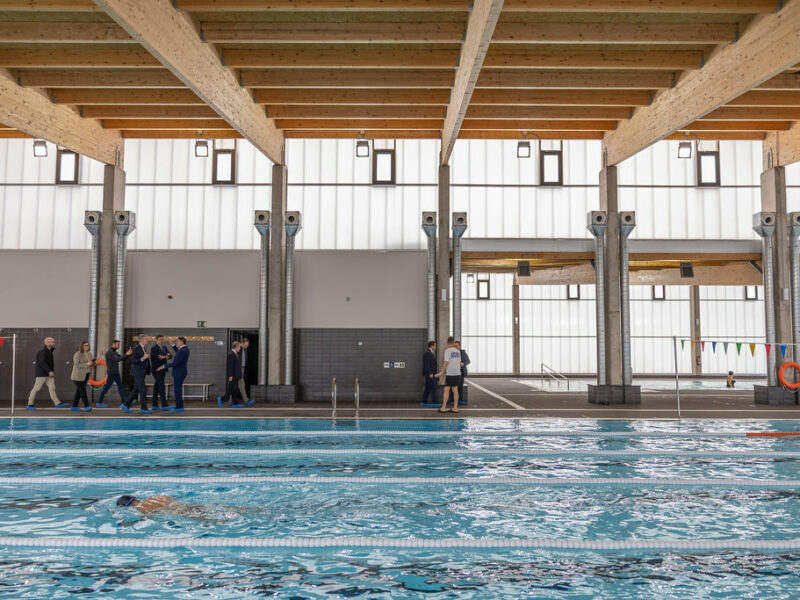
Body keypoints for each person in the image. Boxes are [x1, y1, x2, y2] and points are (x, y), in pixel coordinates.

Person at [116, 494, 257, 524]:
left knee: (213, 520)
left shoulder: (141, 507)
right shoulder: (155, 496)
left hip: (181, 512)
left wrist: (129, 522)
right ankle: (251, 509)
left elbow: (147, 518)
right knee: (221, 508)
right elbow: (175, 500)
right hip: (188, 505)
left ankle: (222, 521)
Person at [27, 337, 68, 410]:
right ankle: (30, 404)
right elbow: (42, 362)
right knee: (36, 388)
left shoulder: (49, 351)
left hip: (49, 375)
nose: (53, 343)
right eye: (52, 342)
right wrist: (49, 371)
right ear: (47, 343)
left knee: (52, 388)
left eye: (53, 342)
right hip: (42, 374)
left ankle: (57, 403)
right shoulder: (42, 352)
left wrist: (50, 372)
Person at [96, 340, 132, 407]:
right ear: (114, 344)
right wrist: (127, 354)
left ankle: (125, 402)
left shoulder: (114, 352)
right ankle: (99, 402)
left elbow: (122, 358)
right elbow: (117, 359)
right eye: (118, 344)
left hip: (116, 372)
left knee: (120, 387)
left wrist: (128, 354)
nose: (119, 346)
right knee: (107, 387)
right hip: (111, 373)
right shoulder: (109, 353)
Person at [159, 336, 189, 412]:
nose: (176, 343)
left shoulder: (182, 351)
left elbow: (175, 363)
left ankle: (179, 407)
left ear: (181, 342)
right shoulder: (184, 349)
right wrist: (172, 345)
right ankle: (179, 406)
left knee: (177, 390)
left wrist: (164, 366)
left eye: (177, 341)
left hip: (179, 373)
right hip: (181, 372)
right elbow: (178, 352)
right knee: (178, 389)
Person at [121, 336, 151, 414]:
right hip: (138, 372)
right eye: (145, 339)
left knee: (136, 389)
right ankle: (143, 408)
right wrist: (143, 358)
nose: (147, 340)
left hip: (142, 372)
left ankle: (125, 404)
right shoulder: (137, 348)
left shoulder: (143, 348)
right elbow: (134, 361)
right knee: (143, 390)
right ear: (141, 340)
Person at [437, 336, 462, 413]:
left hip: (450, 373)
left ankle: (443, 407)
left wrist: (441, 372)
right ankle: (455, 408)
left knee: (446, 390)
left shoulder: (447, 351)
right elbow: (459, 363)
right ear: (453, 342)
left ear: (447, 342)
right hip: (457, 373)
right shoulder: (458, 351)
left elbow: (446, 362)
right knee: (455, 390)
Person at [69, 341, 95, 412]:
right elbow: (76, 364)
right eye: (85, 346)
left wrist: (93, 362)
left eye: (88, 345)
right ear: (82, 347)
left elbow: (91, 363)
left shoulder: (89, 354)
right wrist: (87, 364)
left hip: (85, 375)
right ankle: (87, 406)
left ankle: (74, 406)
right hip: (77, 376)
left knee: (79, 391)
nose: (87, 347)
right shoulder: (78, 354)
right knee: (83, 391)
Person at [218, 341, 244, 408]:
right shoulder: (231, 354)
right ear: (236, 347)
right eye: (239, 347)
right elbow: (230, 366)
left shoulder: (235, 354)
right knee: (231, 389)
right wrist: (230, 375)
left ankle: (234, 403)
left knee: (234, 389)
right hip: (233, 376)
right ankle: (221, 399)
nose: (240, 349)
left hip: (236, 375)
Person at [149, 335, 172, 411]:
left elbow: (170, 356)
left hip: (163, 369)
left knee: (156, 387)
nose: (161, 341)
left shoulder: (164, 347)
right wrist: (165, 356)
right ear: (156, 340)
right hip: (157, 370)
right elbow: (158, 358)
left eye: (162, 340)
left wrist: (165, 356)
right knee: (161, 387)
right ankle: (164, 405)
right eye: (160, 340)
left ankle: (154, 405)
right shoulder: (153, 348)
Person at [421, 340, 438, 406]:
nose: (436, 347)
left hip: (430, 374)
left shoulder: (430, 353)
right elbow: (426, 364)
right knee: (433, 387)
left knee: (427, 388)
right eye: (435, 345)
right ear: (431, 346)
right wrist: (430, 373)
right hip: (430, 374)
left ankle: (424, 401)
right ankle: (434, 402)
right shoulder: (427, 353)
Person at [455, 340, 470, 406]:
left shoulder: (463, 352)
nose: (455, 347)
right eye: (454, 346)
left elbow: (468, 361)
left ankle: (460, 400)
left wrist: (463, 363)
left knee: (460, 386)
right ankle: (454, 399)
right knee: (454, 386)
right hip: (454, 371)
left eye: (457, 346)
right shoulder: (452, 352)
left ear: (460, 346)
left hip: (461, 371)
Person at [238, 338, 253, 406]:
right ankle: (246, 400)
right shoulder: (238, 349)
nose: (246, 346)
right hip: (238, 369)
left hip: (242, 368)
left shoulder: (243, 350)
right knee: (241, 384)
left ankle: (230, 400)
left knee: (238, 385)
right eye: (246, 345)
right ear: (242, 343)